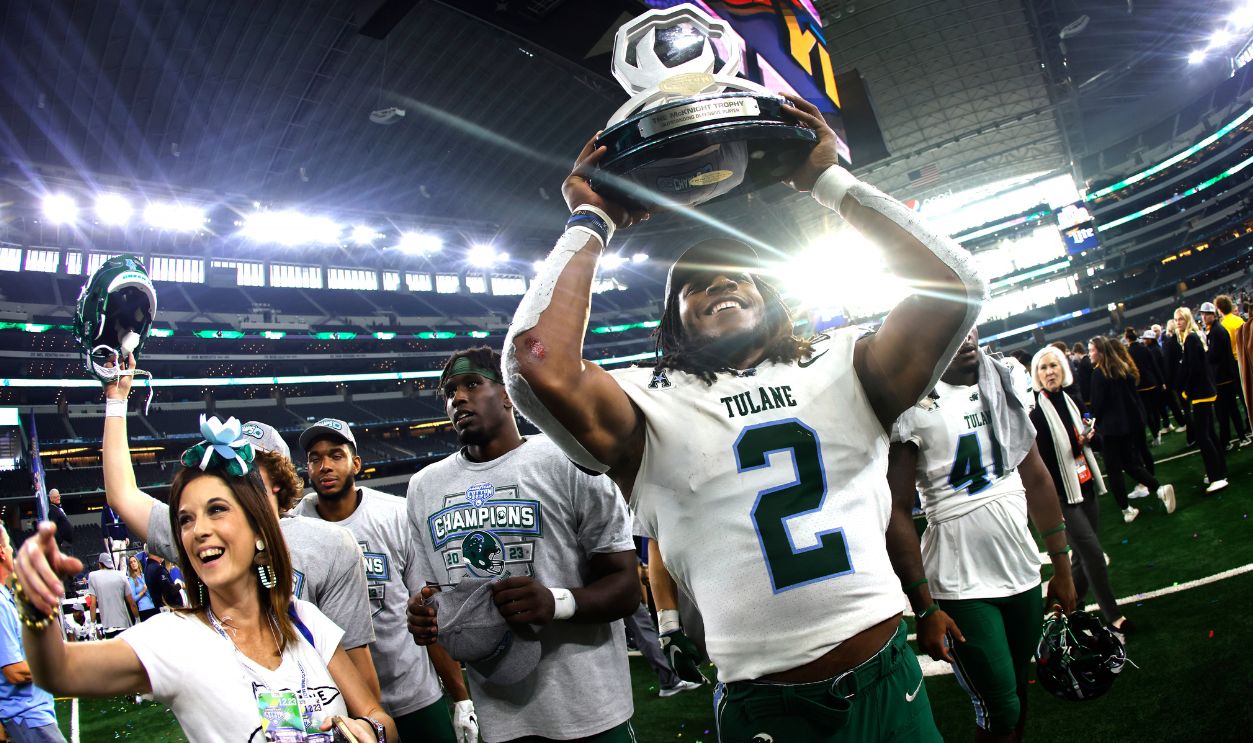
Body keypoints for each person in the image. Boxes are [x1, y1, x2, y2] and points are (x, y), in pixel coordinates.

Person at [503, 94, 985, 741]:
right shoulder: (647, 404)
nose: (719, 284)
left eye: (737, 276)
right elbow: (535, 362)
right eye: (694, 285)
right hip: (769, 711)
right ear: (673, 321)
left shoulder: (846, 364)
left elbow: (956, 284)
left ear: (769, 299)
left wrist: (826, 179)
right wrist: (592, 218)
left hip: (887, 676)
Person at [10, 427, 396, 743]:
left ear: (258, 528)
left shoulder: (305, 621)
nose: (199, 531)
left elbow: (379, 717)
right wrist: (34, 607)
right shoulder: (177, 638)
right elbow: (58, 670)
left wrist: (368, 730)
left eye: (217, 510)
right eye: (185, 520)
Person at [101, 359, 383, 699]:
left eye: (248, 467)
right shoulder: (206, 533)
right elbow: (123, 496)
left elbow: (356, 662)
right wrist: (116, 398)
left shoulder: (330, 544)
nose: (235, 478)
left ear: (278, 480)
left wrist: (369, 724)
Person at [405, 348, 640, 742]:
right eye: (450, 391)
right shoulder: (424, 487)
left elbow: (627, 587)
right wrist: (426, 615)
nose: (457, 398)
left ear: (509, 394)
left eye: (473, 384)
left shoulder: (570, 459)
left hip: (589, 706)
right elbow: (440, 593)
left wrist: (557, 603)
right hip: (500, 714)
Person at [885, 330, 1076, 743]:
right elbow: (896, 511)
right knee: (1000, 706)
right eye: (952, 321)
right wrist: (923, 605)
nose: (965, 333)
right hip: (959, 578)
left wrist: (1062, 566)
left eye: (970, 318)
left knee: (1016, 695)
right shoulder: (912, 401)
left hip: (1020, 564)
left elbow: (1038, 478)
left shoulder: (1006, 376)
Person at [292, 418, 473, 743]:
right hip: (341, 705)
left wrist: (461, 696)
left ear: (356, 463)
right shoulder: (296, 529)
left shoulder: (395, 515)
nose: (325, 466)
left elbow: (427, 609)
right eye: (315, 458)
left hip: (412, 693)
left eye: (335, 455)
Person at [1029, 346, 1133, 634]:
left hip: (1085, 485)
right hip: (1064, 496)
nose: (1050, 372)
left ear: (1063, 369)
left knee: (1081, 556)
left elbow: (1086, 445)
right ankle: (1113, 615)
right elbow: (1043, 463)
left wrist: (1088, 436)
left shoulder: (1071, 401)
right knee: (1094, 555)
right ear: (1037, 376)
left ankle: (1072, 606)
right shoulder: (1037, 415)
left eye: (1054, 365)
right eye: (1043, 368)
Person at [1088, 336, 1175, 523]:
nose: (1090, 353)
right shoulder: (1122, 368)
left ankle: (1127, 509)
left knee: (1113, 470)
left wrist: (1093, 421)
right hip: (1128, 425)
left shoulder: (1098, 374)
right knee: (1131, 464)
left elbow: (1097, 406)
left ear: (1101, 352)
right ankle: (1159, 489)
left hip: (1110, 429)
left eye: (1092, 350)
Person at [0, 527, 67, 743]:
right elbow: (14, 671)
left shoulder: (5, 598)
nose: (12, 550)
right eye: (9, 545)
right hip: (27, 715)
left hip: (30, 714)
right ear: (1, 552)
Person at [1175, 308, 1228, 492]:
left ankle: (1217, 476)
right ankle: (1220, 471)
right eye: (1176, 319)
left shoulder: (1190, 339)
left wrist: (1186, 392)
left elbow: (1195, 369)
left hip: (1201, 393)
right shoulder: (1190, 338)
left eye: (1181, 319)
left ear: (1187, 319)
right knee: (1210, 433)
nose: (1178, 322)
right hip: (1203, 391)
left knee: (1203, 436)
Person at [1199, 301, 1249, 449]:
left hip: (1223, 377)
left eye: (1206, 314)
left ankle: (1230, 439)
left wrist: (1205, 353)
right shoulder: (1215, 330)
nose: (1204, 317)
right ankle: (1237, 437)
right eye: (1202, 314)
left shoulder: (1217, 331)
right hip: (1224, 375)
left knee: (1225, 410)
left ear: (1213, 315)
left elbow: (1215, 355)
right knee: (1229, 409)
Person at [1128, 330, 1168, 445]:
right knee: (1155, 409)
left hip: (1139, 386)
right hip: (1152, 383)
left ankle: (1156, 434)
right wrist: (1161, 381)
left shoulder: (1128, 352)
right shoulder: (1145, 349)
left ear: (1127, 338)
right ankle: (1158, 431)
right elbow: (1154, 366)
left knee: (1147, 412)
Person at [86, 553, 134, 630]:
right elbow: (131, 602)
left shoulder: (93, 576)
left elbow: (93, 604)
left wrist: (92, 626)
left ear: (100, 564)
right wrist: (137, 619)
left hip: (108, 626)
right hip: (124, 624)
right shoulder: (121, 575)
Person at [126, 556, 157, 621]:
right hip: (144, 610)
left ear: (138, 562)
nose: (133, 563)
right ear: (130, 566)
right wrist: (143, 591)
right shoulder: (131, 580)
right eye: (131, 562)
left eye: (134, 561)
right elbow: (133, 599)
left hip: (154, 606)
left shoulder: (145, 575)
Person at [1072, 342, 1094, 407]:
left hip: (1088, 396)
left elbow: (1083, 382)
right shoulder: (1088, 360)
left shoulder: (1082, 364)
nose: (1075, 357)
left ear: (1077, 352)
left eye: (1074, 354)